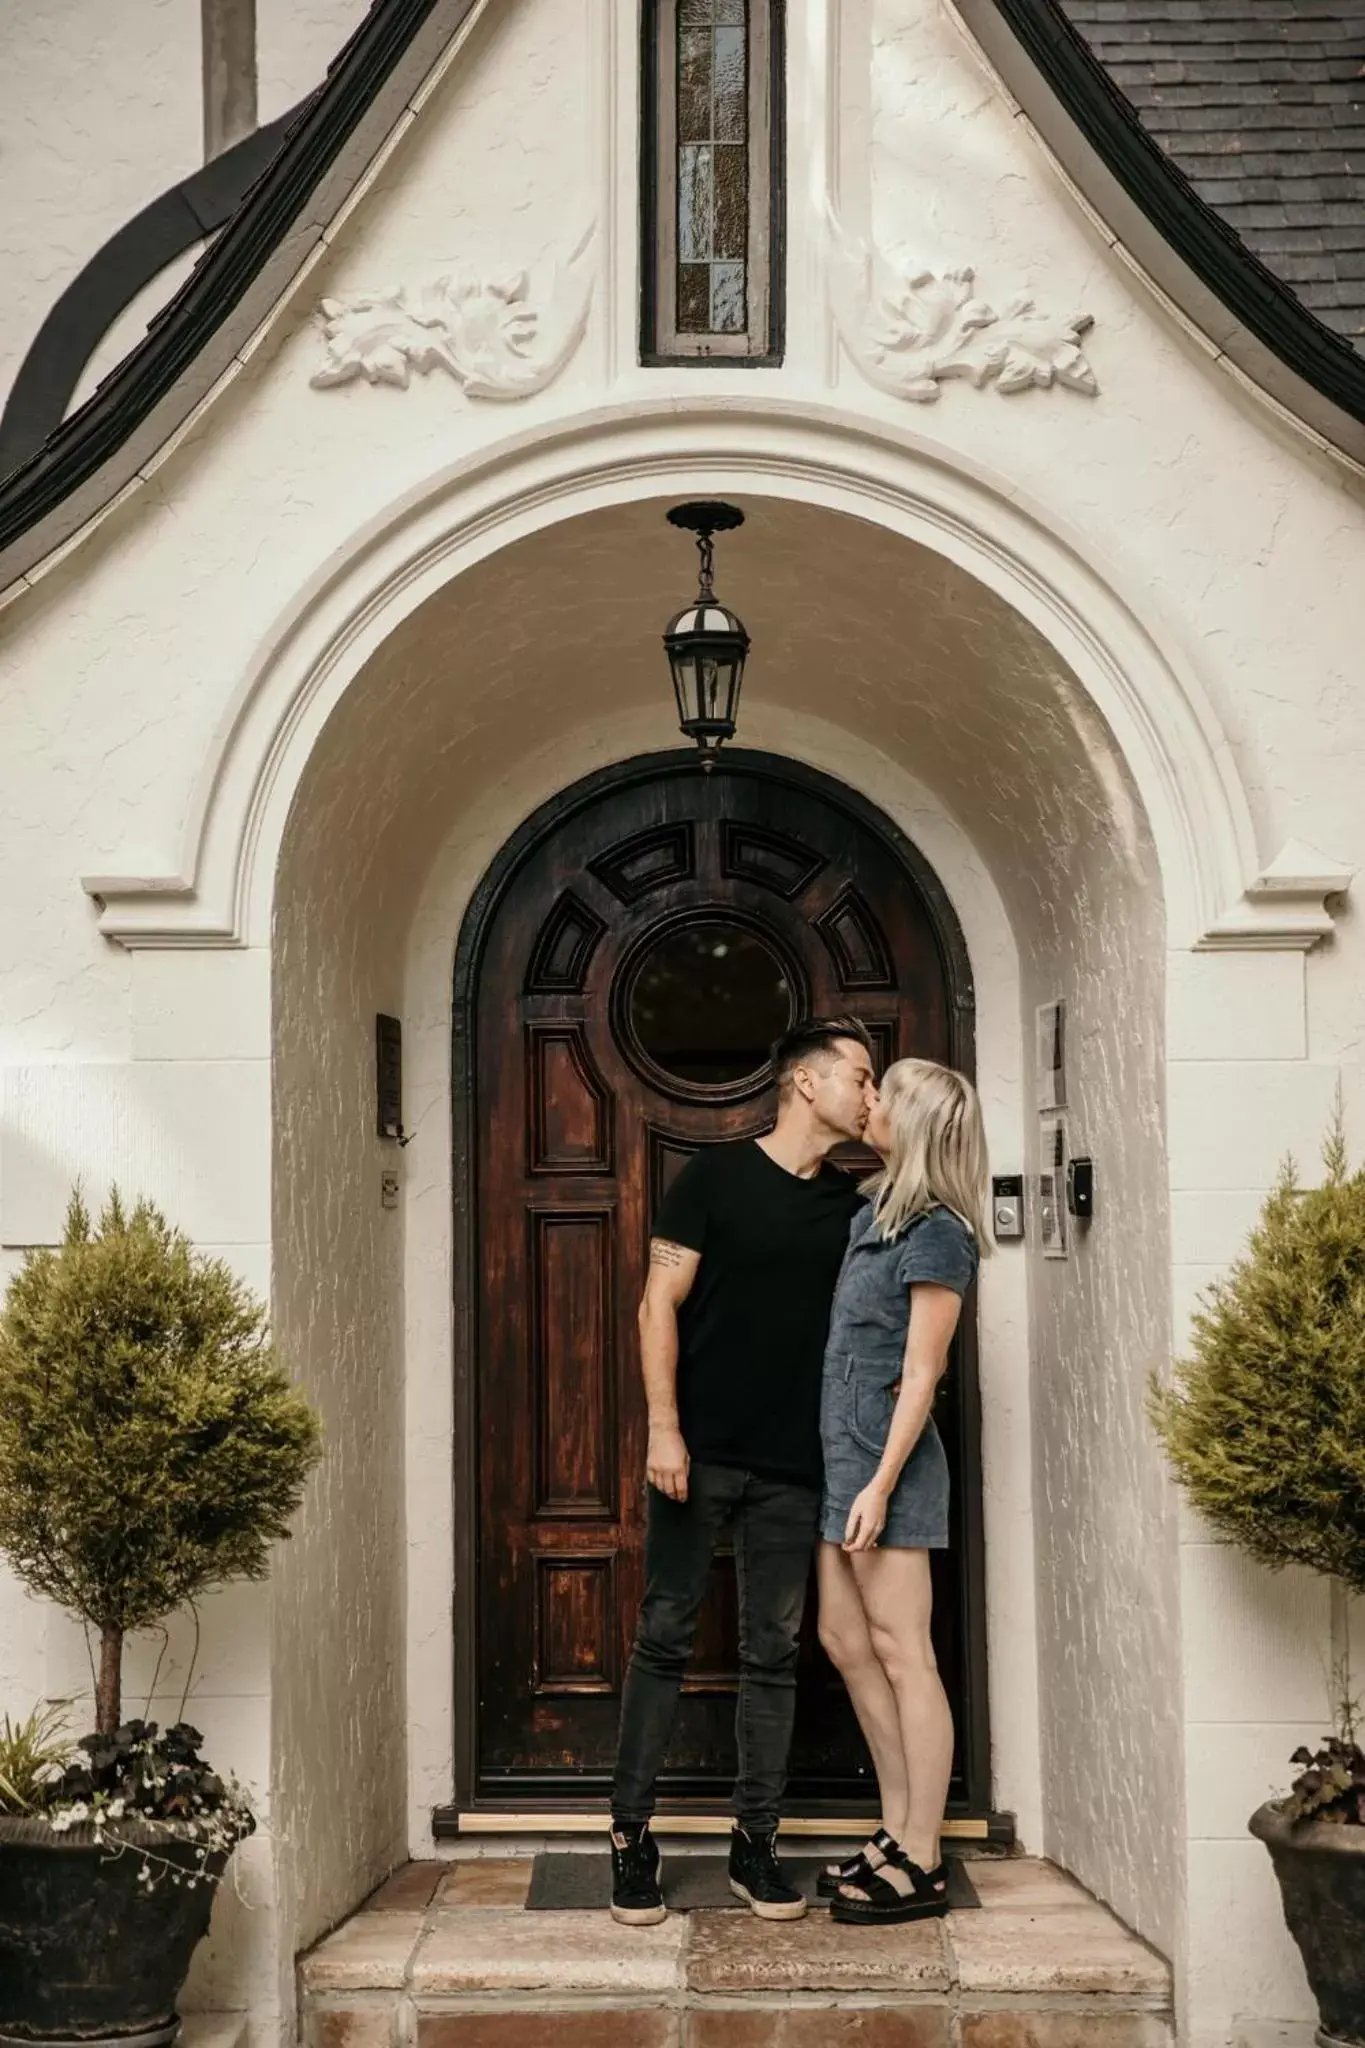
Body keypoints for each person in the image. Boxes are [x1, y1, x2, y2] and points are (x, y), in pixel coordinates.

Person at [608, 1017, 878, 1926]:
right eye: (859, 1079)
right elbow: (658, 1304)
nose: (868, 1096)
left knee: (775, 1652)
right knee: (665, 1636)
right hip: (698, 1453)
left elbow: (924, 1178)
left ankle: (753, 1841)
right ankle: (629, 1836)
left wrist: (883, 1130)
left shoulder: (852, 1208)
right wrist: (663, 1430)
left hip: (795, 1464)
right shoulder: (713, 1178)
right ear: (804, 1083)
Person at [814, 1057, 991, 1925]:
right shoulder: (877, 1212)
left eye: (881, 1094)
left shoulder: (939, 1233)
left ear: (915, 1123)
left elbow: (923, 1375)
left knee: (902, 1651)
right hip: (843, 1459)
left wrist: (881, 1485)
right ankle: (894, 1827)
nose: (868, 1102)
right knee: (844, 1638)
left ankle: (922, 1853)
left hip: (887, 1468)